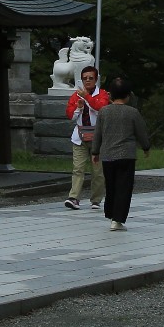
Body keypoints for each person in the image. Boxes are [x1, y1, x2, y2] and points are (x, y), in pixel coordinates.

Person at [92, 77, 150, 230]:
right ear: (128, 96)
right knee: (124, 187)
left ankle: (111, 214)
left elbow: (97, 133)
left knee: (110, 186)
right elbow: (141, 132)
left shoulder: (103, 112)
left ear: (110, 95)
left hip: (108, 154)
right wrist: (146, 147)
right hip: (126, 155)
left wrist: (95, 151)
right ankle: (117, 219)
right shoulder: (133, 112)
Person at [64, 64, 107, 210]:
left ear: (96, 80)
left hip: (97, 137)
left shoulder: (102, 94)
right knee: (78, 168)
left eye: (90, 78)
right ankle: (73, 198)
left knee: (98, 171)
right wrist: (79, 107)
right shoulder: (75, 96)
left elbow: (101, 108)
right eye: (85, 78)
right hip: (80, 136)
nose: (87, 81)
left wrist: (86, 97)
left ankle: (96, 200)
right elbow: (70, 115)